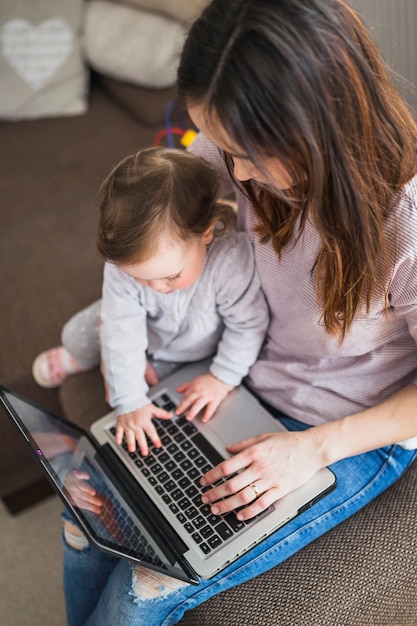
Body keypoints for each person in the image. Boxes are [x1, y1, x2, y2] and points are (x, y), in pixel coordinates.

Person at [59, 1, 417, 624]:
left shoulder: (405, 223)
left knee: (140, 592)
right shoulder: (234, 158)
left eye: (248, 152)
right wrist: (135, 334)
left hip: (347, 426)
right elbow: (145, 230)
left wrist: (314, 449)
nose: (236, 172)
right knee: (91, 511)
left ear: (320, 123)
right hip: (243, 374)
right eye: (225, 149)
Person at [33, 146, 269, 456]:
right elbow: (121, 327)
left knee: (161, 383)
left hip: (186, 347)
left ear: (207, 233)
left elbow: (249, 326)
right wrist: (128, 401)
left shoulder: (231, 263)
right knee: (78, 334)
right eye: (142, 278)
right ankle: (79, 357)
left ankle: (112, 359)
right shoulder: (121, 268)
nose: (157, 287)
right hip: (136, 324)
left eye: (171, 276)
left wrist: (221, 377)